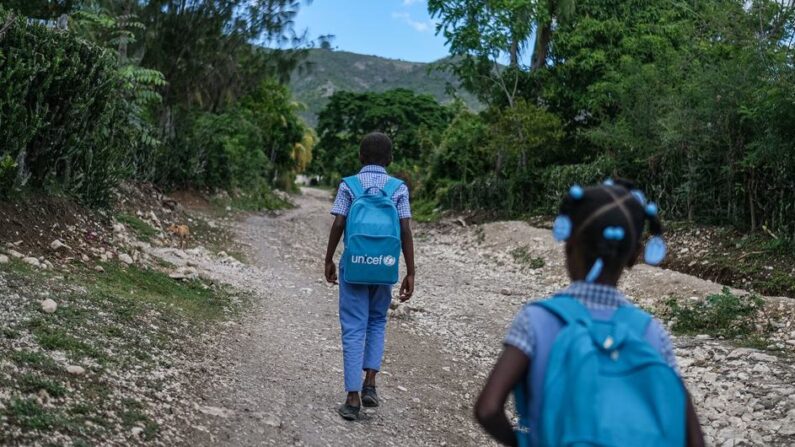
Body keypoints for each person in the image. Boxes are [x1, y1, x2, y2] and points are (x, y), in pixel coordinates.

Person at [474, 179, 705, 447]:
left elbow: (488, 409)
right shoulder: (650, 332)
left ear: (569, 243)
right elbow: (692, 437)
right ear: (633, 257)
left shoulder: (537, 320)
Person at [324, 132, 416, 421]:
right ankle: (371, 385)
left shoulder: (349, 185)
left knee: (353, 326)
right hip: (384, 266)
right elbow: (405, 231)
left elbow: (339, 222)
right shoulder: (398, 188)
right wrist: (410, 271)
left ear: (360, 157)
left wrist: (328, 258)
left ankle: (352, 399)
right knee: (377, 321)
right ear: (390, 159)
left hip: (354, 265)